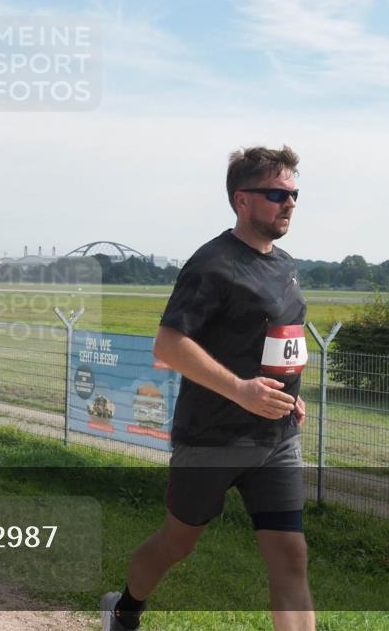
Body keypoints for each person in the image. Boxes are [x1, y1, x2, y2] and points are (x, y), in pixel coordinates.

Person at [102, 146, 313, 631]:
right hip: (211, 438)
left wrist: (288, 391)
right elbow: (169, 344)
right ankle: (124, 610)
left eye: (294, 194)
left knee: (291, 556)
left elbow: (271, 340)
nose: (289, 203)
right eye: (277, 194)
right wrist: (241, 390)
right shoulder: (212, 264)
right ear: (242, 199)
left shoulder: (285, 264)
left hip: (275, 439)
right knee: (177, 543)